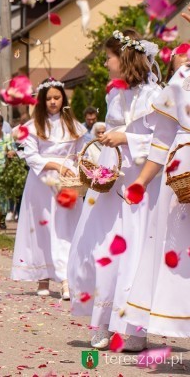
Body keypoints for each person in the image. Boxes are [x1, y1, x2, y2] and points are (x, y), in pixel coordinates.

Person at [68, 29, 161, 351]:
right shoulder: (114, 95)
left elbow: (164, 140)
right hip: (112, 174)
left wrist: (127, 139)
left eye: (108, 57)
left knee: (134, 251)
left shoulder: (155, 95)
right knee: (102, 248)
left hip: (140, 179)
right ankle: (102, 320)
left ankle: (133, 328)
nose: (105, 63)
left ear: (124, 57)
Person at [124, 47, 190, 349]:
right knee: (175, 253)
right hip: (180, 177)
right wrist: (140, 181)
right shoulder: (181, 80)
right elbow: (162, 139)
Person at [11, 78, 85, 299]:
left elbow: (81, 153)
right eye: (49, 98)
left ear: (63, 98)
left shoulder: (74, 125)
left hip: (68, 181)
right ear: (42, 101)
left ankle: (66, 279)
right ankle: (42, 276)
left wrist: (81, 170)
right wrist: (55, 165)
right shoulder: (33, 126)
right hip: (42, 181)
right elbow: (31, 156)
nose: (53, 102)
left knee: (66, 228)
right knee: (43, 227)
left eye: (57, 97)